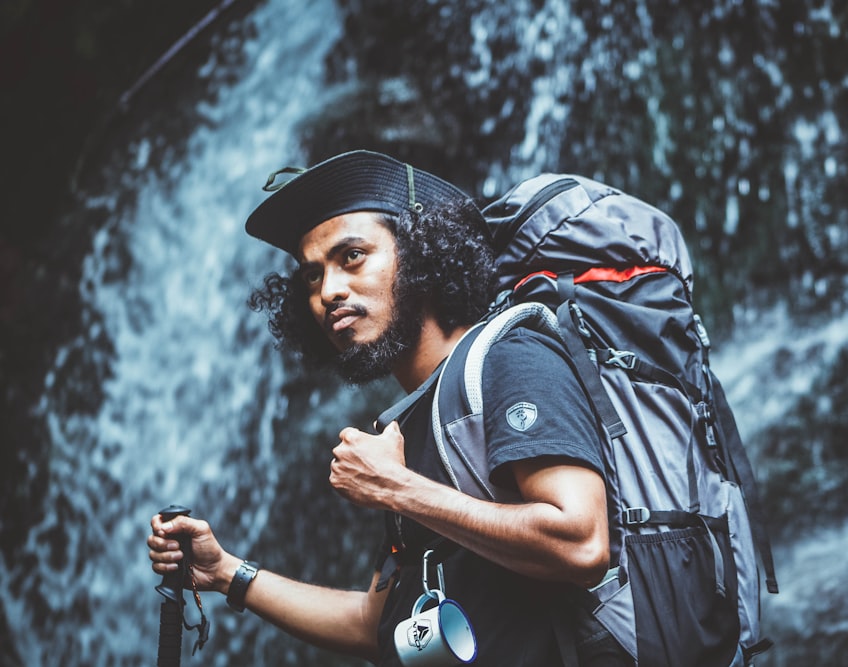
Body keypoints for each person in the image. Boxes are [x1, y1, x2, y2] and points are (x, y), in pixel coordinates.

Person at [147, 150, 623, 665]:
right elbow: (374, 625)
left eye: (351, 256)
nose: (328, 291)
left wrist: (396, 488)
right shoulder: (409, 421)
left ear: (421, 254)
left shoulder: (508, 358)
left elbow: (582, 542)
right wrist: (227, 573)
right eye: (311, 276)